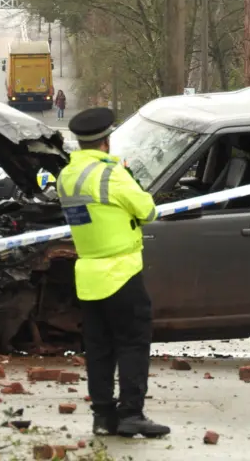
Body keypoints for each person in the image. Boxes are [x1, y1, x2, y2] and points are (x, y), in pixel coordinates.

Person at [57, 107, 170, 438]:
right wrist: (126, 175)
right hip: (121, 271)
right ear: (106, 141)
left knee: (99, 348)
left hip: (89, 274)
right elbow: (147, 210)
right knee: (133, 343)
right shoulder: (111, 174)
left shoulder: (67, 176)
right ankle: (132, 413)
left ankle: (103, 417)